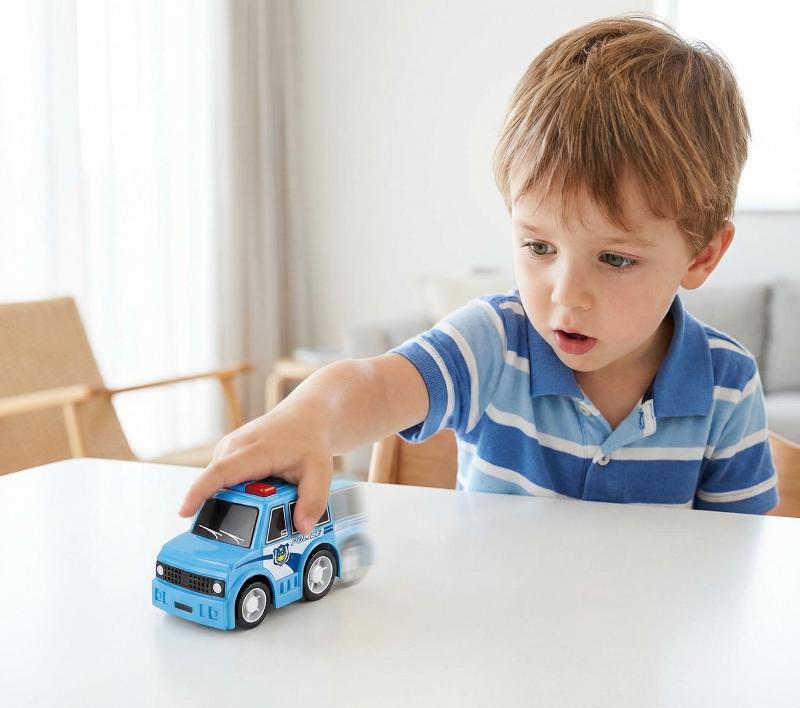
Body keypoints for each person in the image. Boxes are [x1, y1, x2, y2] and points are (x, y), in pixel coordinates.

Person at [180, 14, 777, 530]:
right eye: (539, 247)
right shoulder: (492, 343)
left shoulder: (726, 384)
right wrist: (308, 417)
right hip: (492, 625)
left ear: (702, 255)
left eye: (615, 259)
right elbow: (377, 386)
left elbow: (738, 561)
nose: (567, 295)